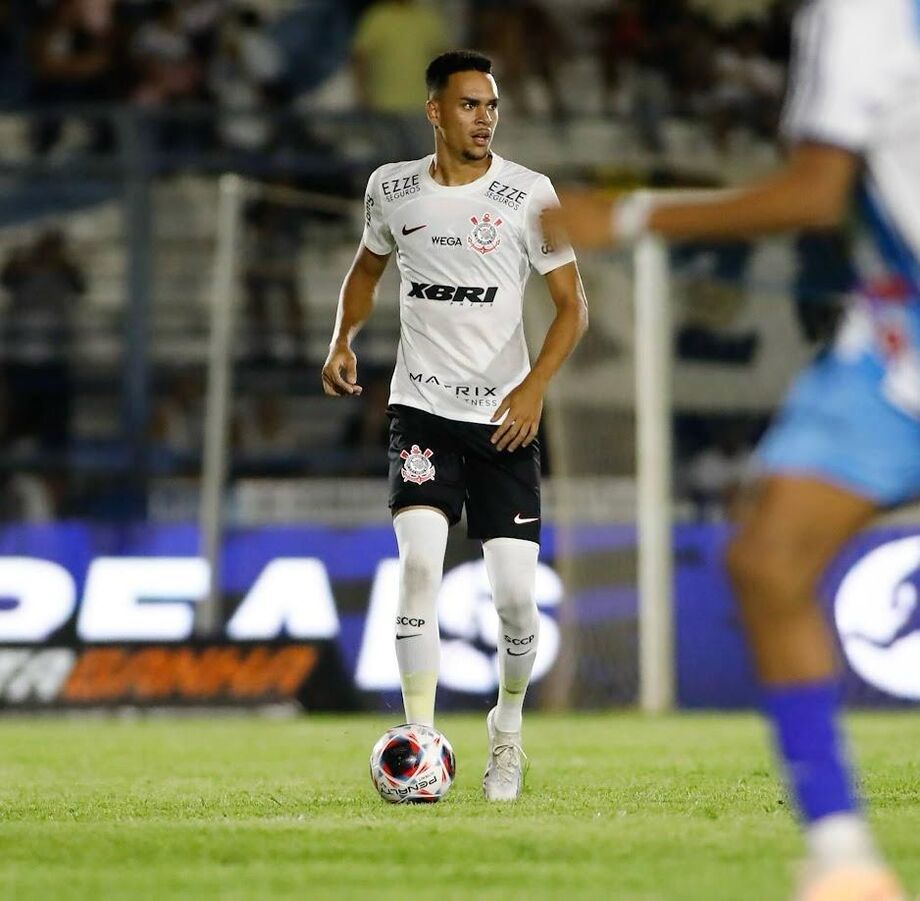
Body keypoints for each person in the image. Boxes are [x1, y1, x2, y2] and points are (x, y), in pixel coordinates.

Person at [543, 0, 916, 897]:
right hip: (895, 340)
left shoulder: (858, 15)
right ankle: (841, 859)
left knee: (767, 563)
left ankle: (838, 848)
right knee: (765, 559)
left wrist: (627, 217)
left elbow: (812, 194)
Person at [322, 50, 587, 801]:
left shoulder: (529, 194)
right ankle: (420, 735)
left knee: (514, 600)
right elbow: (367, 270)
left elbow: (573, 306)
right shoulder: (392, 189)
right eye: (469, 105)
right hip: (422, 412)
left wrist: (534, 388)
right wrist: (340, 338)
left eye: (492, 106)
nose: (484, 118)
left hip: (503, 420)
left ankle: (507, 730)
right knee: (417, 568)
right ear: (435, 111)